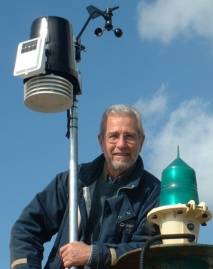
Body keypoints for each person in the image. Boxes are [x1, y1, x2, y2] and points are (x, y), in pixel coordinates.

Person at [10, 104, 160, 269]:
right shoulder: (74, 180)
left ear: (142, 141)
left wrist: (94, 254)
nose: (121, 144)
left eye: (129, 136)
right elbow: (26, 229)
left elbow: (149, 251)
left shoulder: (154, 194)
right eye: (113, 136)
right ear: (101, 141)